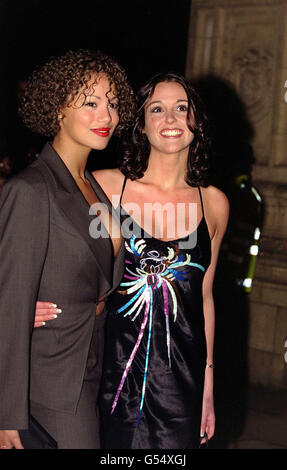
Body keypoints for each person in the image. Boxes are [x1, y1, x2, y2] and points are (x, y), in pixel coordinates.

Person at [34, 72, 229, 449]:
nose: (171, 119)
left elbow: (204, 297)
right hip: (105, 378)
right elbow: (44, 251)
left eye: (181, 108)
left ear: (196, 121)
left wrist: (208, 385)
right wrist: (20, 304)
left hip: (180, 387)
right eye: (157, 109)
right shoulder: (104, 187)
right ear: (141, 123)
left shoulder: (215, 203)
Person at [0, 49, 135, 449]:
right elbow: (10, 302)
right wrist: (6, 416)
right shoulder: (30, 190)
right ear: (57, 107)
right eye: (90, 103)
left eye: (112, 103)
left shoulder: (93, 188)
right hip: (45, 382)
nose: (106, 116)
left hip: (89, 368)